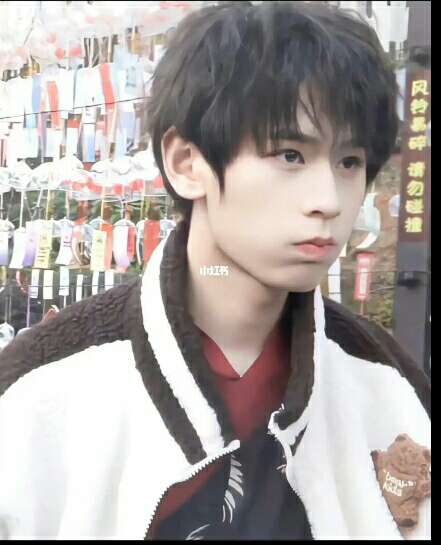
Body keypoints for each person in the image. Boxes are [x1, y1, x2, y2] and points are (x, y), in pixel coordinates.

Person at [0, 1, 430, 540]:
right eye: (290, 155)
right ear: (187, 163)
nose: (328, 200)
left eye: (349, 162)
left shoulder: (385, 383)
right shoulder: (44, 390)